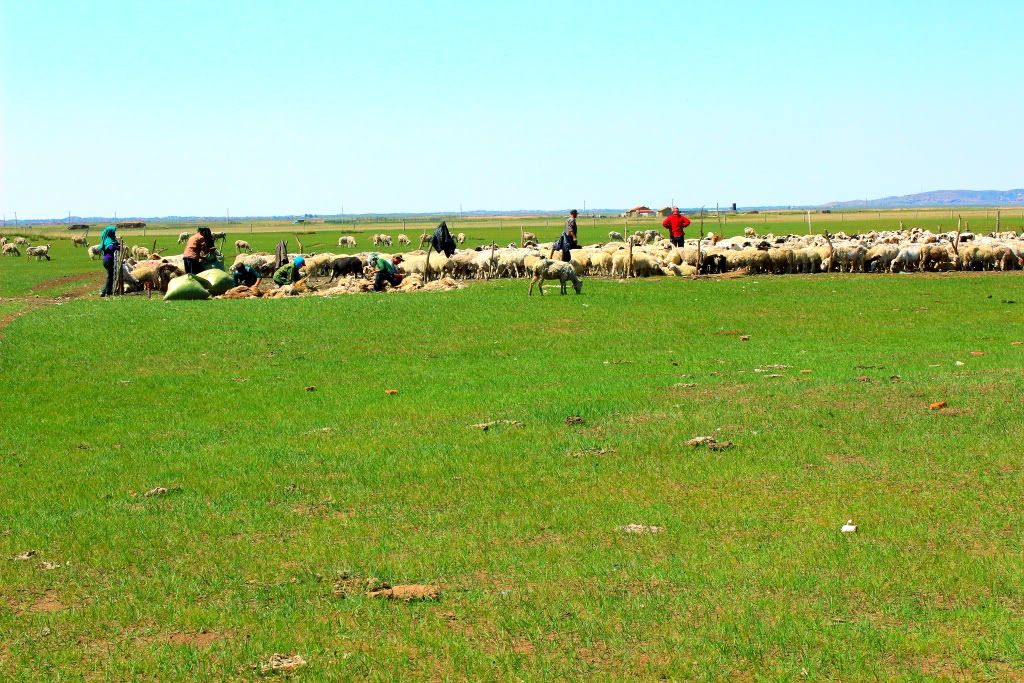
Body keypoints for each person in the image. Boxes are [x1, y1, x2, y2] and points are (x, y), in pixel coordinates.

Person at [97, 225, 120, 297]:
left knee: (111, 275)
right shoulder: (108, 239)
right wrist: (118, 248)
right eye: (113, 232)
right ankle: (106, 291)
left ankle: (106, 291)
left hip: (106, 259)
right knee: (110, 276)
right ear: (110, 232)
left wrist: (117, 244)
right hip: (108, 259)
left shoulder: (109, 238)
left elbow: (114, 244)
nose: (114, 233)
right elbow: (110, 248)